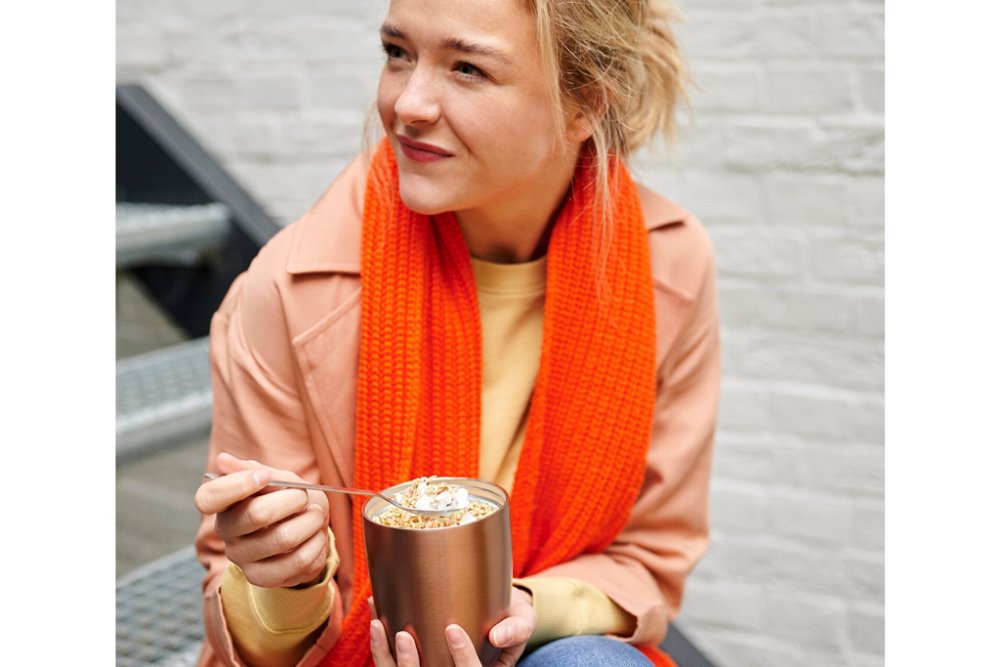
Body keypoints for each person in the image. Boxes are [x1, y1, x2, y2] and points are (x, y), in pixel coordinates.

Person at [193, 0, 720, 665]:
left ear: (585, 102)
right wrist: (282, 578)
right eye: (397, 53)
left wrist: (525, 610)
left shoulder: (668, 267)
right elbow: (242, 631)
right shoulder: (290, 287)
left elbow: (650, 555)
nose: (408, 103)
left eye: (466, 67)